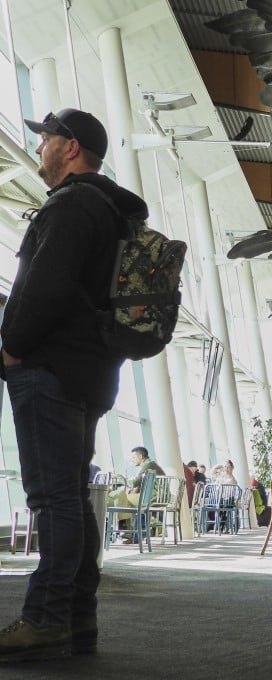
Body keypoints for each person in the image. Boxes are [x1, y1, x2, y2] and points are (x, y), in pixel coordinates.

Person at [0, 108, 146, 661]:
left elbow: (47, 286)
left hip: (51, 368)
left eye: (46, 140)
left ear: (71, 147)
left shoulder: (73, 205)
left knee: (54, 496)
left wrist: (11, 346)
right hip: (90, 370)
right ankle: (77, 614)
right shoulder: (109, 210)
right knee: (72, 495)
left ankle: (45, 617)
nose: (39, 147)